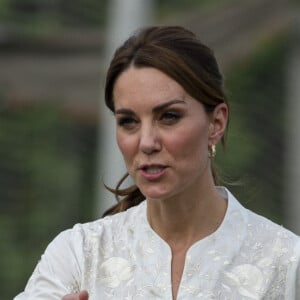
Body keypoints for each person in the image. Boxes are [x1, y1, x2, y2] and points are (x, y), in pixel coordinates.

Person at [15, 26, 300, 300]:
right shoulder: (78, 255)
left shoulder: (286, 263)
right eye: (128, 122)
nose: (146, 142)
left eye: (169, 117)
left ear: (216, 123)